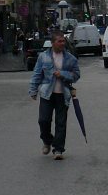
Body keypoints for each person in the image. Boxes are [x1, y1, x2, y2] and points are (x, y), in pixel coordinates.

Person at [28, 30, 80, 159]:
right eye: (59, 41)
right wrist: (33, 90)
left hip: (63, 94)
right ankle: (47, 141)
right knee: (43, 120)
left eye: (63, 41)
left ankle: (58, 150)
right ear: (52, 43)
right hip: (47, 94)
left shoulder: (70, 58)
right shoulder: (43, 57)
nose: (62, 43)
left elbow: (76, 75)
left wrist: (63, 74)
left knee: (61, 123)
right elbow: (37, 74)